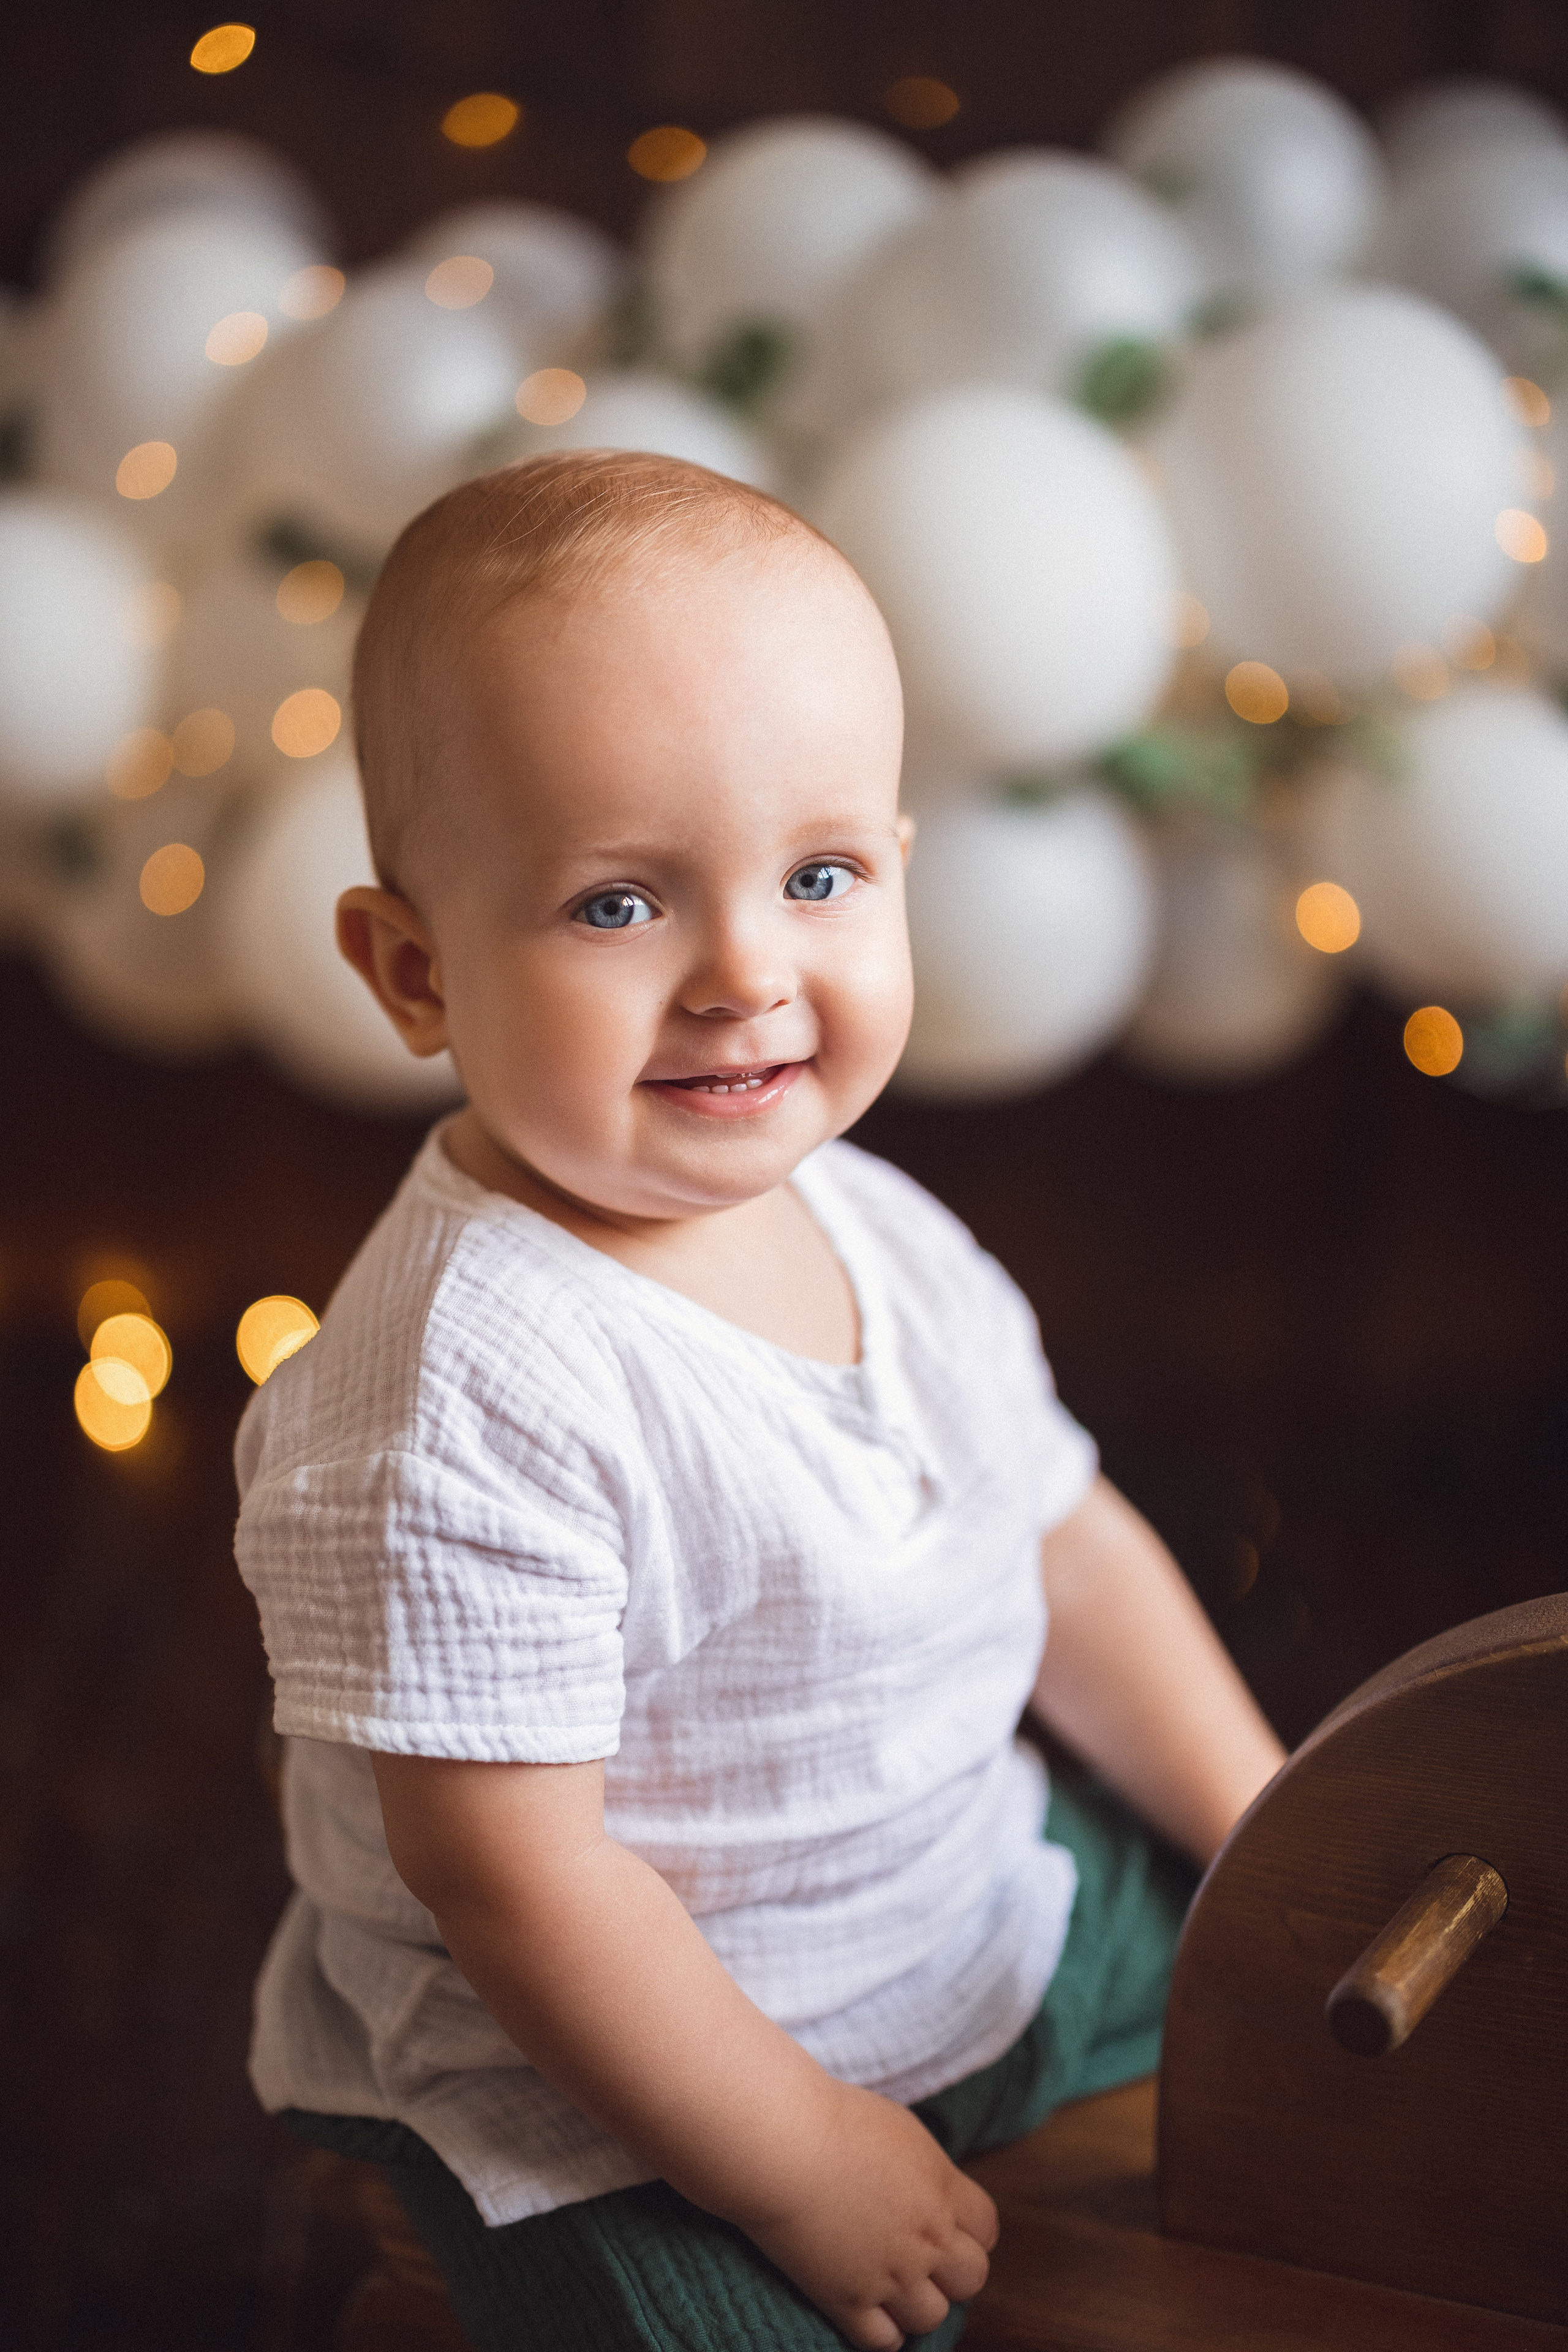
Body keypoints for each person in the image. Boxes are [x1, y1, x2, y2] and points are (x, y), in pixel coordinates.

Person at [235, 448, 1286, 2352]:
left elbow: (1064, 1537)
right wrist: (796, 2160)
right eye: (620, 904)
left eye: (816, 878)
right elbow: (517, 1879)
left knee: (1281, 1988)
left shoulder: (870, 1219)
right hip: (607, 2075)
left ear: (895, 864)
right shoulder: (453, 1397)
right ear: (415, 971)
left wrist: (1267, 1831)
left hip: (956, 1907)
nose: (748, 974)